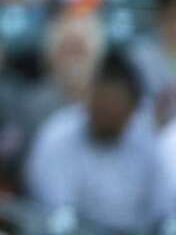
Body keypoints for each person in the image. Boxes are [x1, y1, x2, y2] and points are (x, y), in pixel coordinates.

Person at [25, 50, 175, 231]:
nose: (104, 115)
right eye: (100, 105)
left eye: (113, 110)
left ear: (132, 110)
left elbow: (163, 214)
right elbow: (54, 214)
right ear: (89, 98)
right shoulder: (57, 135)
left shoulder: (149, 143)